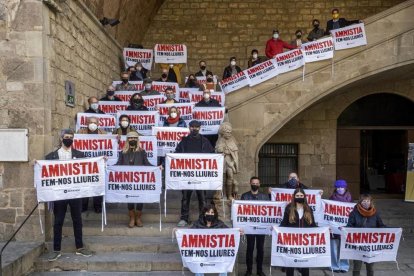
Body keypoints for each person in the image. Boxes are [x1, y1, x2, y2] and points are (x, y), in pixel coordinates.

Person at [45, 129, 92, 261]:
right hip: (59, 194)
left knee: (77, 220)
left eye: (71, 137)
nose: (69, 139)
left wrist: (102, 161)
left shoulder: (80, 155)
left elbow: (89, 167)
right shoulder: (51, 156)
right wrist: (37, 164)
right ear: (61, 139)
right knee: (58, 221)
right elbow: (44, 171)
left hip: (75, 193)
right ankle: (56, 249)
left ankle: (80, 247)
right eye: (66, 137)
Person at [175, 120, 214, 227]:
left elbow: (212, 155)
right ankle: (184, 218)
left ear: (200, 128)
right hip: (187, 175)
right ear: (189, 128)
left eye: (196, 127)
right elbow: (176, 155)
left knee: (202, 198)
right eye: (192, 127)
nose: (194, 129)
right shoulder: (184, 141)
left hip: (200, 175)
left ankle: (203, 218)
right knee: (185, 198)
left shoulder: (205, 141)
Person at [116, 131, 152, 227]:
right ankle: (132, 218)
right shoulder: (122, 152)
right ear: (127, 140)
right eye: (131, 138)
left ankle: (138, 217)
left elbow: (147, 164)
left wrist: (158, 167)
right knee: (130, 198)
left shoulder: (142, 151)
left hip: (139, 179)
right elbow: (118, 164)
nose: (133, 139)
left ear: (137, 139)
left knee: (140, 198)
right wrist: (108, 166)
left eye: (135, 138)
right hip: (127, 179)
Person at [280, 188, 317, 276]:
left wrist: (325, 230)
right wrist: (276, 229)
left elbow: (313, 225)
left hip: (305, 241)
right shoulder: (289, 208)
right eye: (297, 196)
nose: (299, 197)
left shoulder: (308, 209)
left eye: (301, 196)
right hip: (292, 240)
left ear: (304, 197)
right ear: (294, 197)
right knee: (290, 263)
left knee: (305, 263)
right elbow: (284, 223)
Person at [346, 194, 386, 276]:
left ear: (371, 202)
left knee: (370, 268)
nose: (366, 203)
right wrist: (343, 229)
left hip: (371, 244)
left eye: (368, 201)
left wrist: (395, 229)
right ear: (360, 202)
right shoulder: (354, 213)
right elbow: (349, 226)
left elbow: (381, 225)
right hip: (357, 244)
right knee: (357, 267)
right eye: (364, 201)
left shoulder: (375, 213)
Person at [77, 117, 106, 213]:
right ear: (86, 123)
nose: (92, 124)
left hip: (97, 164)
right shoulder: (80, 132)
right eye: (90, 122)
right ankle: (83, 206)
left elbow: (107, 146)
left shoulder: (103, 133)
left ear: (98, 124)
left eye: (94, 122)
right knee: (85, 184)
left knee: (97, 185)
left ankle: (97, 206)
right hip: (84, 163)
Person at [241, 177, 268, 276]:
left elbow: (269, 212)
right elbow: (241, 211)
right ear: (250, 183)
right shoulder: (244, 196)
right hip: (249, 227)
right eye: (253, 183)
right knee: (250, 248)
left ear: (259, 184)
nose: (255, 184)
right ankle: (249, 270)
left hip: (261, 227)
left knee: (260, 249)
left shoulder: (264, 197)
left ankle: (259, 270)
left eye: (257, 183)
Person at [191, 204, 228, 276]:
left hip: (216, 252)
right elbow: (188, 233)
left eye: (212, 212)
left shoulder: (220, 224)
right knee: (198, 260)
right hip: (202, 253)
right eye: (208, 212)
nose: (210, 214)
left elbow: (230, 232)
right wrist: (178, 231)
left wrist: (238, 231)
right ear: (204, 213)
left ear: (215, 214)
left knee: (225, 260)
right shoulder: (198, 224)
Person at [329, 179, 352, 273]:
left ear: (345, 187)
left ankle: (344, 266)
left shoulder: (350, 198)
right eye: (338, 187)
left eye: (342, 187)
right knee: (334, 248)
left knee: (344, 248)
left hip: (345, 227)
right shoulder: (331, 198)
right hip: (334, 227)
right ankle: (335, 266)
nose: (340, 189)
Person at [215, 122, 239, 200]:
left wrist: (233, 161)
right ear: (223, 133)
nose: (229, 134)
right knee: (221, 178)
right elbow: (217, 150)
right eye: (227, 132)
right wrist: (221, 150)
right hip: (222, 161)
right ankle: (221, 194)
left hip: (230, 161)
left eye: (230, 132)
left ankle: (229, 195)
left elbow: (235, 152)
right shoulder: (220, 140)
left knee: (230, 177)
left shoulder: (232, 140)